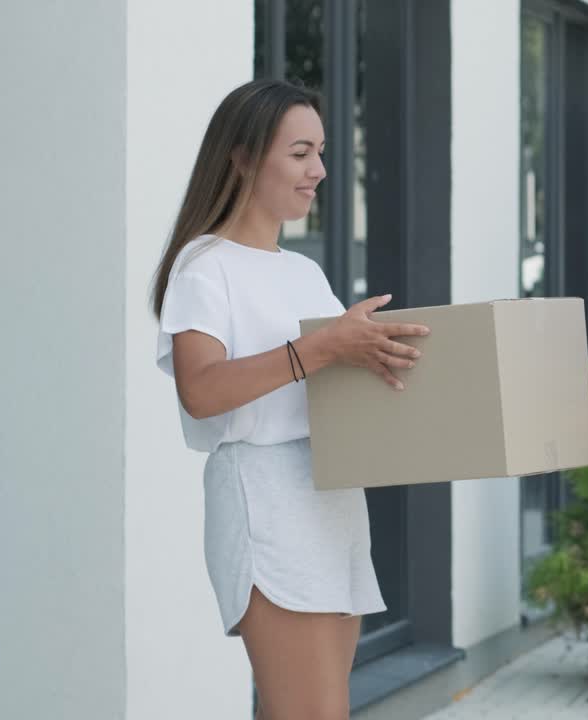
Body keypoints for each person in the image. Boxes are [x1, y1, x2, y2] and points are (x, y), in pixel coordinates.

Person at [151, 79, 428, 719]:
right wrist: (321, 348)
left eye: (321, 152)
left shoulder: (304, 272)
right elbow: (201, 390)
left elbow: (335, 381)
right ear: (243, 157)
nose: (319, 171)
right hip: (264, 499)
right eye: (300, 153)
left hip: (331, 498)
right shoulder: (204, 266)